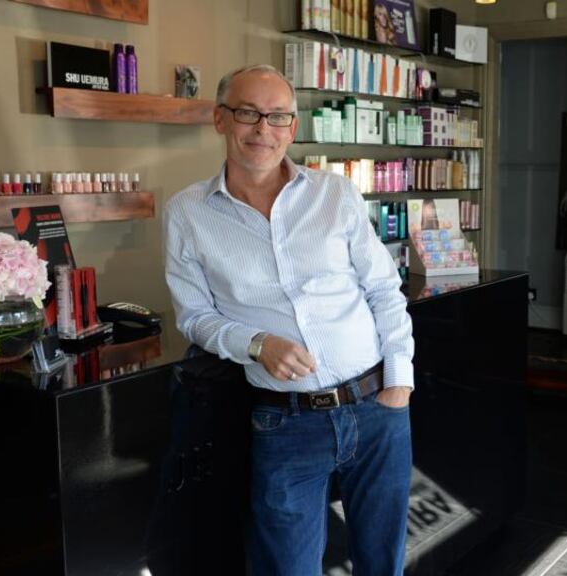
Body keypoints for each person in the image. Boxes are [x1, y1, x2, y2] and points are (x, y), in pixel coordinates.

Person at [164, 64, 415, 575]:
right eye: (248, 113)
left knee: (382, 562)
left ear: (293, 127)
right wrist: (255, 343)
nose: (264, 129)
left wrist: (399, 386)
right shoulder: (187, 212)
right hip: (285, 421)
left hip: (376, 408)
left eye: (278, 116)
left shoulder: (336, 193)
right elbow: (195, 317)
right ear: (219, 119)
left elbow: (385, 290)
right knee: (286, 567)